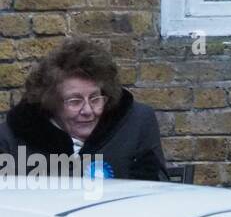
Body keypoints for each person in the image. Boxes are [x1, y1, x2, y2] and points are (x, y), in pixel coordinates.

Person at [0, 38, 169, 182]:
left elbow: (155, 191)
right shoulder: (12, 136)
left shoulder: (137, 122)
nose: (88, 110)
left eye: (95, 98)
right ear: (52, 103)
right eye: (75, 101)